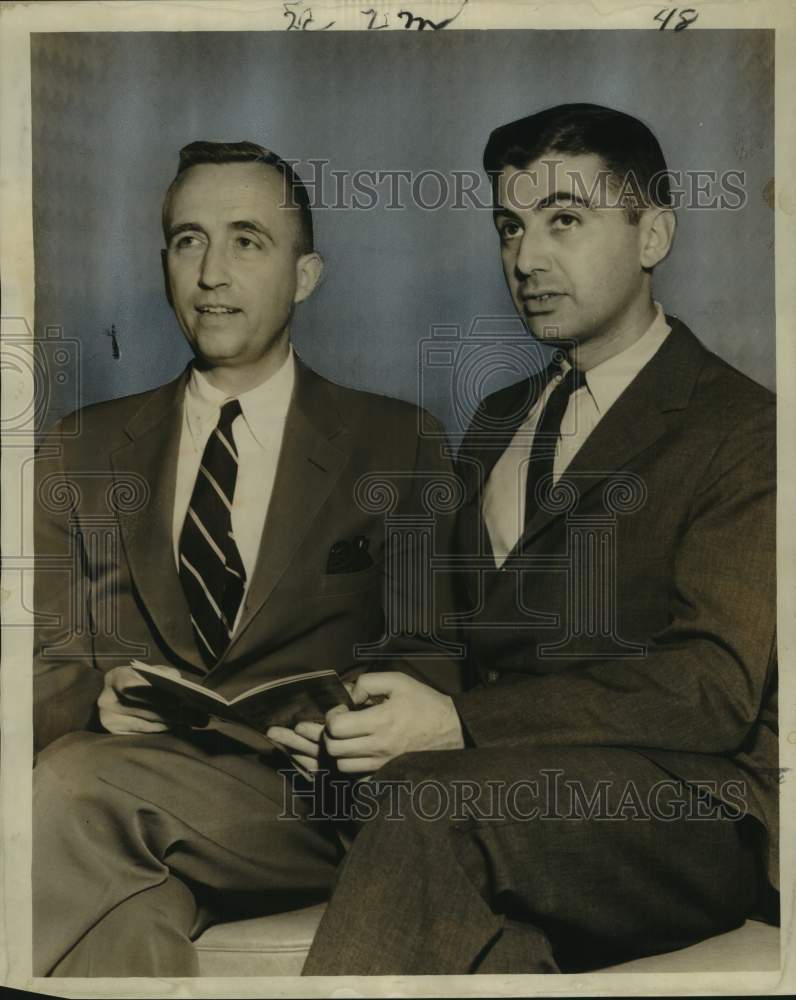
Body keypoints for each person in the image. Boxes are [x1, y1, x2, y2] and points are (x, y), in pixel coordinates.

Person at [300, 104, 778, 974]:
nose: (526, 260)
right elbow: (455, 638)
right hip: (508, 798)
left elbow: (711, 687)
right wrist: (364, 719)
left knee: (416, 804)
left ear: (653, 233)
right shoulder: (497, 419)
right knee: (372, 799)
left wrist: (457, 725)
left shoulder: (746, 428)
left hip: (687, 811)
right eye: (509, 227)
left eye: (566, 221)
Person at [32, 140, 463, 976]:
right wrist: (93, 697)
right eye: (189, 241)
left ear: (305, 274)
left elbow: (432, 657)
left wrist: (350, 726)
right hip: (126, 787)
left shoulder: (398, 443)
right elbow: (39, 659)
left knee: (68, 788)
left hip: (311, 803)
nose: (212, 274)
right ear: (164, 264)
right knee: (120, 919)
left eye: (247, 241)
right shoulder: (77, 448)